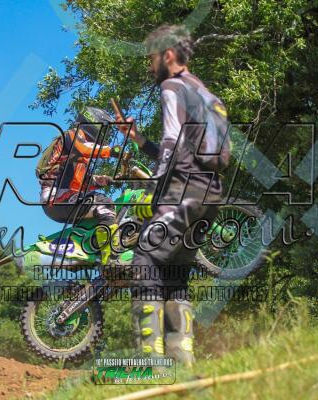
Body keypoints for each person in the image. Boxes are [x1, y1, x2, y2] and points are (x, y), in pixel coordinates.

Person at [116, 25, 228, 367]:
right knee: (175, 271)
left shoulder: (172, 87)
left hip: (182, 190)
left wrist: (152, 192)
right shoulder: (207, 94)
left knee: (145, 260)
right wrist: (139, 141)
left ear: (167, 55)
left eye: (152, 58)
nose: (151, 66)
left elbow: (171, 144)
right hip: (210, 192)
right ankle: (182, 362)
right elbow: (194, 149)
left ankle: (151, 363)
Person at [37, 106, 122, 264]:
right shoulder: (71, 136)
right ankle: (111, 260)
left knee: (99, 210)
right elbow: (83, 148)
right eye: (105, 130)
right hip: (55, 197)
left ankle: (93, 251)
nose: (106, 136)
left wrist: (108, 179)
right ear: (94, 123)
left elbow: (83, 182)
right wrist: (111, 151)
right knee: (104, 204)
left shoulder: (77, 155)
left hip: (63, 199)